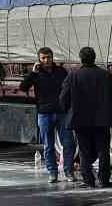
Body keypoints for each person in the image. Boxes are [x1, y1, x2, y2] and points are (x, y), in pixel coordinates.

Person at [60, 45, 112, 188]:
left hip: (80, 119)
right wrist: (108, 112)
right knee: (103, 150)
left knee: (84, 151)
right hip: (102, 120)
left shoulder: (73, 75)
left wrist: (69, 111)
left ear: (81, 59)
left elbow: (63, 98)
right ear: (94, 58)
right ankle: (105, 180)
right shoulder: (105, 75)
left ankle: (88, 180)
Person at [20, 47, 75, 184]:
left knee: (68, 143)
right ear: (39, 59)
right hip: (44, 114)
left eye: (48, 57)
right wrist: (33, 73)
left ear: (52, 57)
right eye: (43, 58)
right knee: (48, 145)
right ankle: (52, 173)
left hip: (62, 112)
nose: (46, 60)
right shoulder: (36, 73)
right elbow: (23, 87)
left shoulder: (61, 71)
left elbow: (69, 88)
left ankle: (68, 171)